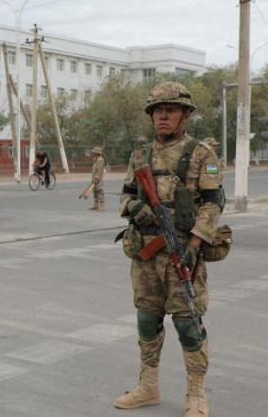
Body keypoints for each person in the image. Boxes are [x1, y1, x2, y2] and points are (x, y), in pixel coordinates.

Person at [115, 82, 223, 417]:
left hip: (182, 253)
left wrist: (194, 244)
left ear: (186, 115)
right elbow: (126, 194)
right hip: (146, 253)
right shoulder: (139, 155)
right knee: (147, 320)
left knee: (188, 323)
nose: (162, 115)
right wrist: (135, 208)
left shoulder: (202, 154)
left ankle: (196, 394)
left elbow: (213, 202)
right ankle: (148, 387)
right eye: (157, 110)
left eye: (170, 109)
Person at [89, 147, 106, 211]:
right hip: (94, 178)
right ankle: (96, 205)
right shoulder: (95, 159)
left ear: (96, 153)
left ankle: (102, 206)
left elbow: (100, 170)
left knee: (100, 191)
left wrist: (97, 178)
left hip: (98, 179)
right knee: (95, 191)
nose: (92, 153)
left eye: (93, 152)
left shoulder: (100, 160)